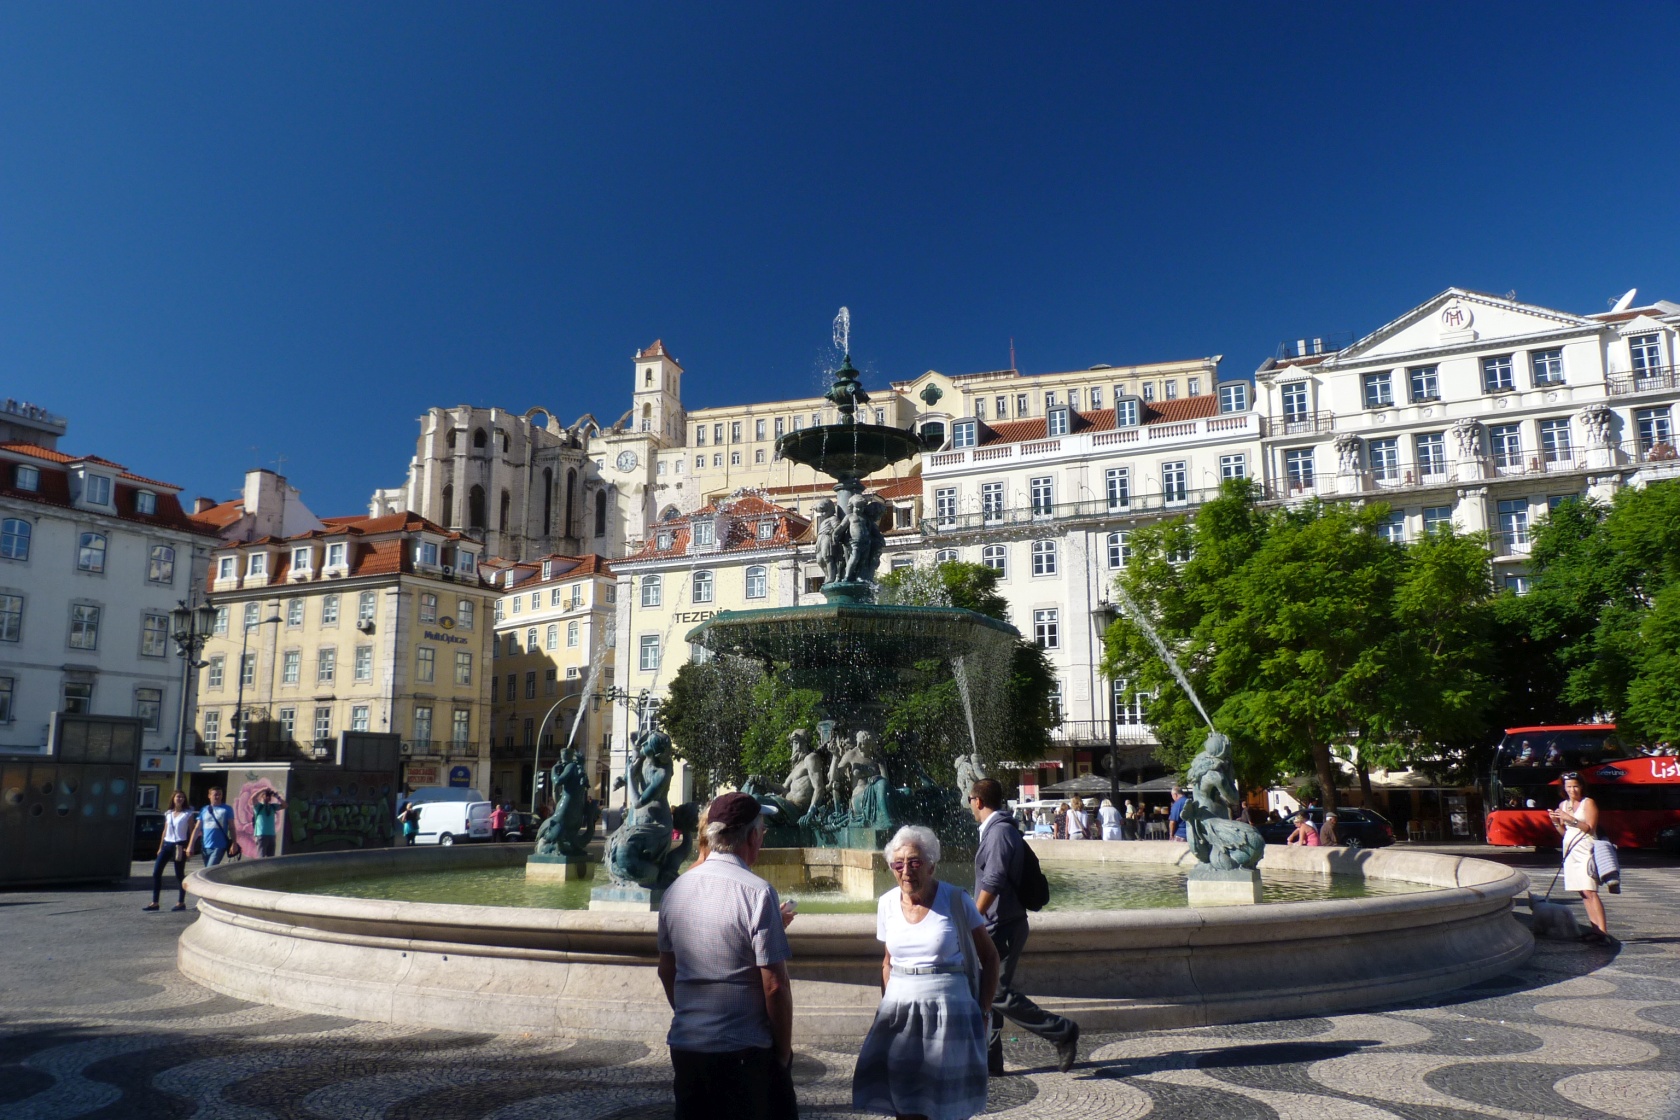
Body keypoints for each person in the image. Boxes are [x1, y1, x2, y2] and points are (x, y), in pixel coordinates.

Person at [656, 792, 796, 1120]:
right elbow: (775, 985)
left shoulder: (675, 890)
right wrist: (783, 1053)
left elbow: (666, 970)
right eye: (762, 831)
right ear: (752, 836)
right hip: (743, 1052)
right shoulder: (758, 892)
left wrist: (694, 1016)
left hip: (687, 1048)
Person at [853, 825, 999, 1120]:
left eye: (915, 862)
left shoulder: (956, 900)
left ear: (931, 866)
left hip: (950, 1017)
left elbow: (990, 957)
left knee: (947, 1106)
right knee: (904, 1102)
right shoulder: (886, 904)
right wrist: (887, 1006)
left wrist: (983, 1012)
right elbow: (887, 962)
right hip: (900, 1019)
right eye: (898, 864)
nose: (906, 871)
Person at [969, 779, 1079, 1076]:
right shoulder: (998, 830)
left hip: (1003, 925)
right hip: (999, 923)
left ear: (978, 801)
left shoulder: (999, 832)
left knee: (996, 993)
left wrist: (972, 918)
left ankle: (1061, 1031)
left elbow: (993, 880)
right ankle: (991, 1059)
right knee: (987, 990)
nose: (969, 806)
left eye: (970, 800)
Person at [1551, 773, 1611, 944]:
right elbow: (1565, 833)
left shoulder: (1588, 803)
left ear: (1582, 786)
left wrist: (1570, 819)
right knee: (1582, 892)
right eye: (1569, 787)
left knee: (1590, 890)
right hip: (1571, 850)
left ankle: (1603, 932)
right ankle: (1595, 930)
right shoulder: (1563, 805)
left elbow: (1590, 828)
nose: (1572, 790)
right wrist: (1555, 822)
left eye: (1575, 786)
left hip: (1586, 849)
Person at [144, 790, 194, 911]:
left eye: (182, 797)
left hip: (179, 845)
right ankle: (155, 902)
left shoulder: (187, 814)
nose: (180, 799)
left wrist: (190, 846)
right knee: (156, 872)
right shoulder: (168, 813)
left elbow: (192, 831)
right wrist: (160, 847)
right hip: (167, 844)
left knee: (179, 874)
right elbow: (165, 831)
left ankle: (181, 902)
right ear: (173, 798)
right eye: (178, 797)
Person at [188, 787, 236, 866]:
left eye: (220, 794)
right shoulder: (204, 809)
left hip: (219, 845)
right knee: (209, 869)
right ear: (209, 796)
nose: (218, 797)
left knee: (209, 868)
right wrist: (191, 845)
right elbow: (197, 828)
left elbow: (232, 827)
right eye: (215, 795)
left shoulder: (227, 809)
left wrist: (234, 843)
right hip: (205, 846)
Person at [249, 787, 287, 858]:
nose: (267, 797)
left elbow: (285, 805)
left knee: (271, 858)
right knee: (261, 857)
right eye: (266, 795)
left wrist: (277, 796)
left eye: (269, 796)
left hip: (271, 835)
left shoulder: (272, 807)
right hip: (261, 835)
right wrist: (263, 790)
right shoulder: (259, 807)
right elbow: (253, 799)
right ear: (262, 797)